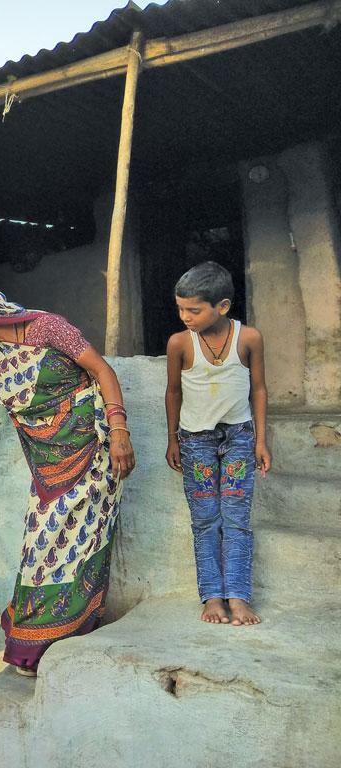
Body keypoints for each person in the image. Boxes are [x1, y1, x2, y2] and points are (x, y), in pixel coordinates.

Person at [0, 285, 134, 676]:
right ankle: (38, 641)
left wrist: (120, 429)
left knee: (84, 542)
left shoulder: (48, 329)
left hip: (92, 448)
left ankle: (70, 631)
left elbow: (101, 370)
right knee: (42, 549)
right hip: (47, 465)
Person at [165, 261, 270, 626]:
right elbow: (174, 392)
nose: (185, 317)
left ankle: (238, 597)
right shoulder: (180, 343)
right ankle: (212, 597)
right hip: (195, 442)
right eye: (180, 308)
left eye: (194, 310)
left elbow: (258, 389)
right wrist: (172, 439)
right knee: (206, 520)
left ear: (222, 306)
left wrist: (261, 440)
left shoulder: (249, 338)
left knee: (237, 518)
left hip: (240, 438)